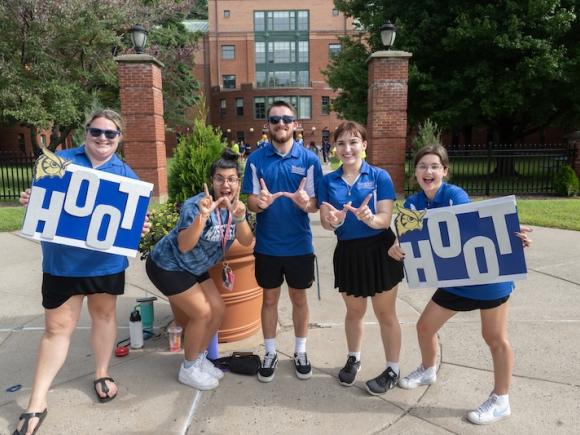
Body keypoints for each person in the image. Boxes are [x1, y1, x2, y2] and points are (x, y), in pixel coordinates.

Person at [13, 109, 151, 435]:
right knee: (57, 328)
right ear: (86, 131)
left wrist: (138, 227)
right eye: (96, 131)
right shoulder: (59, 161)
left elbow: (131, 221)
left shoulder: (127, 177)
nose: (102, 138)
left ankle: (101, 372)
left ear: (119, 138)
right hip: (63, 263)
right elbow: (43, 205)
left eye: (110, 134)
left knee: (104, 318)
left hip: (105, 263)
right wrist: (31, 201)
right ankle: (36, 401)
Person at [388, 144, 533, 425]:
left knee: (494, 338)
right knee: (424, 327)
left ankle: (501, 400)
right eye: (422, 166)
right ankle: (428, 369)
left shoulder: (455, 196)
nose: (428, 171)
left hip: (488, 279)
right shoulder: (412, 204)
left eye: (434, 166)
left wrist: (511, 233)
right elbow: (407, 240)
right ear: (415, 172)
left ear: (444, 171)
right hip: (455, 281)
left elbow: (476, 229)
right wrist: (396, 246)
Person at [146, 149, 253, 391]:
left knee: (217, 309)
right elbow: (184, 245)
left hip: (196, 267)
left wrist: (240, 218)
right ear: (212, 181)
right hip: (168, 265)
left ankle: (200, 359)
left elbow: (246, 242)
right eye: (219, 178)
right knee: (202, 313)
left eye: (231, 179)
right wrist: (202, 218)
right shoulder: (196, 206)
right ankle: (188, 368)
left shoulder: (236, 207)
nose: (225, 184)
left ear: (238, 182)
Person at [318, 121, 404, 395]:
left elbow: (385, 218)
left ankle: (393, 368)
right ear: (335, 148)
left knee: (385, 314)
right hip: (349, 253)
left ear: (364, 145)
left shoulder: (380, 177)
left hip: (381, 250)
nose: (347, 149)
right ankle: (353, 357)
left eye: (353, 142)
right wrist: (332, 220)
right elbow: (325, 221)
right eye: (341, 143)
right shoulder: (327, 181)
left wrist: (370, 218)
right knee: (354, 312)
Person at [242, 100, 323, 383]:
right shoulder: (255, 160)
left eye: (286, 119)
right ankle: (271, 352)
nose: (281, 124)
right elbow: (251, 200)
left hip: (299, 244)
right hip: (267, 245)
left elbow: (315, 203)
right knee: (269, 299)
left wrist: (306, 203)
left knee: (299, 298)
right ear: (267, 126)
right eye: (275, 120)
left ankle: (300, 352)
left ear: (295, 124)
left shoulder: (310, 160)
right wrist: (259, 203)